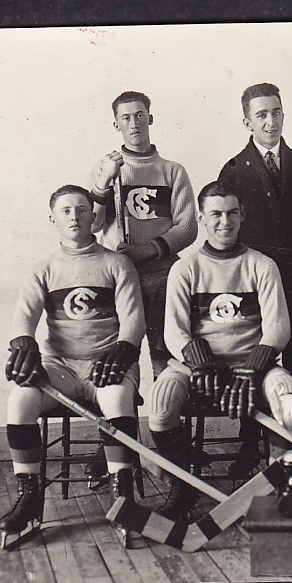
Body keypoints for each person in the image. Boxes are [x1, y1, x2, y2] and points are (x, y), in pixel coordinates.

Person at [0, 184, 145, 547]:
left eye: (82, 209)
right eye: (65, 211)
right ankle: (29, 495)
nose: (75, 216)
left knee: (115, 399)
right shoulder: (44, 268)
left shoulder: (116, 263)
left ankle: (122, 494)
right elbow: (24, 318)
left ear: (94, 215)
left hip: (107, 365)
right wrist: (24, 346)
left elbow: (133, 321)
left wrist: (123, 349)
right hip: (61, 367)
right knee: (20, 398)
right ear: (53, 219)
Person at [148, 180, 292, 519]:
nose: (224, 222)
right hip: (199, 368)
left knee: (288, 396)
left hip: (253, 366)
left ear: (242, 215)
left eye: (232, 213)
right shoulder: (186, 268)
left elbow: (278, 328)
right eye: (215, 214)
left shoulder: (261, 265)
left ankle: (279, 486)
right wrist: (203, 365)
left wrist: (252, 368)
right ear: (201, 218)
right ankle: (182, 487)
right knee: (160, 406)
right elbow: (176, 332)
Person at [218, 81, 292, 376]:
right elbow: (226, 228)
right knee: (254, 348)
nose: (270, 122)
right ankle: (253, 422)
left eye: (276, 113)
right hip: (252, 275)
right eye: (262, 115)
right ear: (247, 122)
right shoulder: (233, 169)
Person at [88, 91, 197, 378]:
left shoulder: (172, 171)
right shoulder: (105, 169)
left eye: (139, 115)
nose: (134, 123)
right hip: (120, 278)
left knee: (165, 354)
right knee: (120, 355)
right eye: (126, 117)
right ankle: (124, 421)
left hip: (163, 278)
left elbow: (187, 228)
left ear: (149, 118)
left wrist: (147, 249)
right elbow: (93, 225)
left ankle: (166, 420)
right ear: (116, 125)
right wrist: (102, 183)